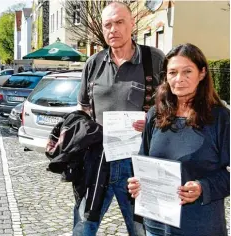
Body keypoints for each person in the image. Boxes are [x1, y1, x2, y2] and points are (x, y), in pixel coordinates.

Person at [74, 2, 165, 236]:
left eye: (119, 22)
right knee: (84, 227)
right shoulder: (93, 63)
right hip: (97, 158)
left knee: (141, 230)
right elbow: (83, 107)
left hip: (139, 161)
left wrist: (153, 119)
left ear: (132, 24)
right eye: (108, 25)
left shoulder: (154, 59)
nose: (113, 29)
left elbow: (172, 106)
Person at [127, 43, 230, 236]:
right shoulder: (155, 115)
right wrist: (137, 182)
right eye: (172, 72)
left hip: (200, 228)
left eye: (187, 71)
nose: (179, 79)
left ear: (202, 73)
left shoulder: (221, 119)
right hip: (156, 227)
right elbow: (143, 162)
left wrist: (203, 187)